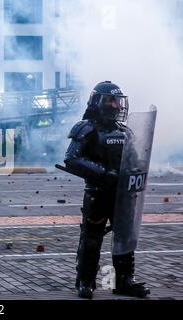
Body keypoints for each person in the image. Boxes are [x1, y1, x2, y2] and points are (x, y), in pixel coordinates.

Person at [63, 81, 150, 299]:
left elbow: (135, 159)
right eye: (112, 100)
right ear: (99, 101)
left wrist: (135, 171)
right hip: (98, 193)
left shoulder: (125, 132)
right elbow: (72, 159)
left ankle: (123, 281)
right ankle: (86, 281)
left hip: (122, 195)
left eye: (119, 101)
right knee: (92, 238)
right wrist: (103, 174)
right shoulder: (86, 128)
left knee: (125, 238)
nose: (118, 106)